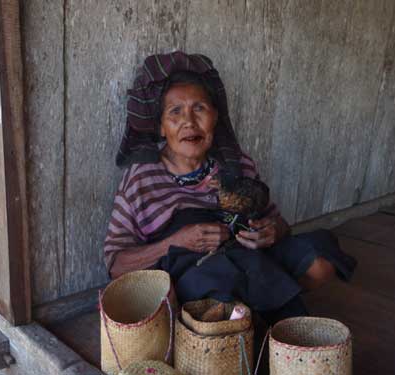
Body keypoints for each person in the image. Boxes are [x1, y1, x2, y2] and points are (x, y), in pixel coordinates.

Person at [104, 51, 356, 325]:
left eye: (199, 108)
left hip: (253, 257)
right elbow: (117, 265)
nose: (189, 121)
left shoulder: (237, 164)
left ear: (215, 117)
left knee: (319, 258)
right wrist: (176, 242)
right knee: (218, 288)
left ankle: (257, 307)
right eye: (175, 112)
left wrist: (271, 232)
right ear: (161, 127)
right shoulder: (141, 178)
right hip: (197, 273)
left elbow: (280, 223)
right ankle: (250, 312)